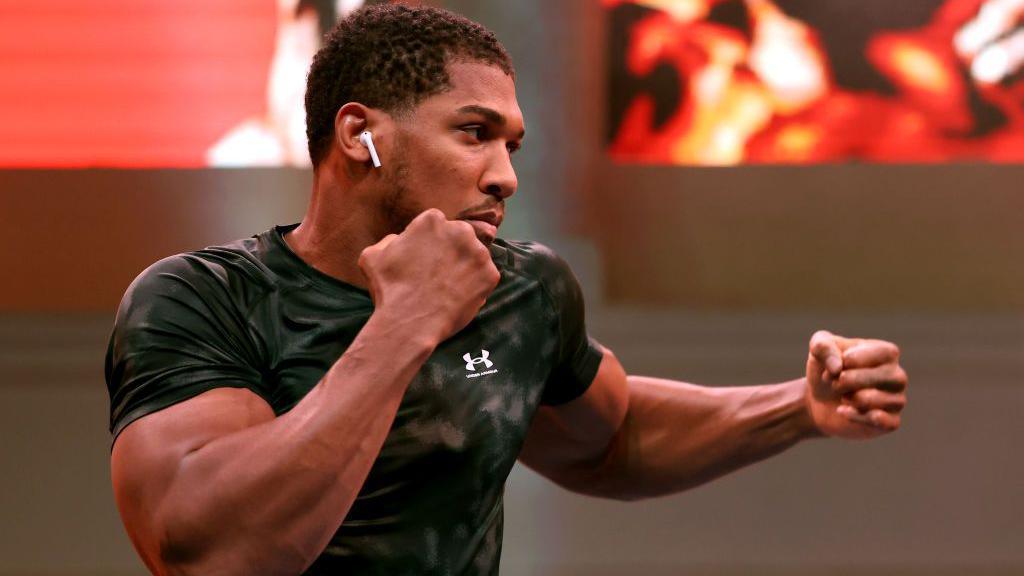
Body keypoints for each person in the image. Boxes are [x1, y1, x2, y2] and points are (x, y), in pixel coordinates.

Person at [105, 5, 909, 575]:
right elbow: (213, 553)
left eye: (512, 143)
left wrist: (796, 410)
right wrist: (405, 324)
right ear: (361, 137)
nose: (506, 177)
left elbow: (611, 436)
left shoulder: (521, 291)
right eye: (473, 133)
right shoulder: (199, 300)